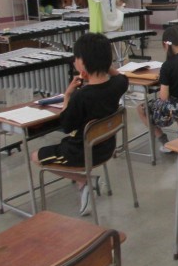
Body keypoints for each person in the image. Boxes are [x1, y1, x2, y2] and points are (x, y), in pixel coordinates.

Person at [30, 33, 129, 216]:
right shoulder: (118, 85)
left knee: (35, 156)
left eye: (76, 58)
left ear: (83, 62)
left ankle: (85, 180)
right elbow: (121, 76)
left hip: (80, 154)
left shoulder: (80, 96)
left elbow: (66, 126)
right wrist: (102, 65)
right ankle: (83, 183)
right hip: (107, 147)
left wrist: (67, 95)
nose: (74, 61)